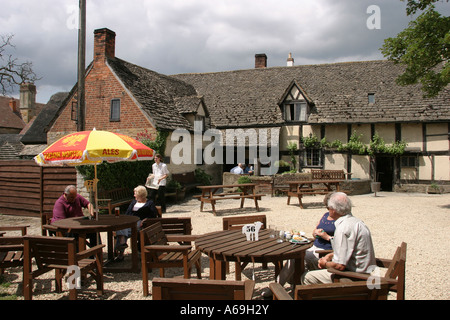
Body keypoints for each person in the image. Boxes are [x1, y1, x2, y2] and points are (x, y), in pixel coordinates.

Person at [261, 193, 336, 299]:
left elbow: (339, 243)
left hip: (324, 251)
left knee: (295, 257)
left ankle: (278, 287)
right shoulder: (325, 215)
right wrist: (315, 233)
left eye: (329, 206)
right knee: (294, 255)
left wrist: (327, 237)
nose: (328, 208)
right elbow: (316, 229)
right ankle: (290, 285)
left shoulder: (340, 222)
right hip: (314, 246)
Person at [301, 192, 376, 285]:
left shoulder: (343, 228)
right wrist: (330, 256)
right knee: (313, 263)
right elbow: (350, 250)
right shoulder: (358, 223)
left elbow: (339, 266)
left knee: (306, 277)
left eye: (329, 208)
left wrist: (324, 263)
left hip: (353, 277)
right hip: (365, 273)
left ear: (333, 210)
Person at [114, 185, 158, 262]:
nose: (134, 195)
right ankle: (122, 242)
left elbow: (153, 215)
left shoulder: (150, 203)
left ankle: (120, 252)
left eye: (135, 194)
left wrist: (145, 220)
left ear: (141, 195)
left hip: (140, 223)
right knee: (121, 227)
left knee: (123, 232)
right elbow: (127, 213)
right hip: (130, 222)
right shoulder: (134, 202)